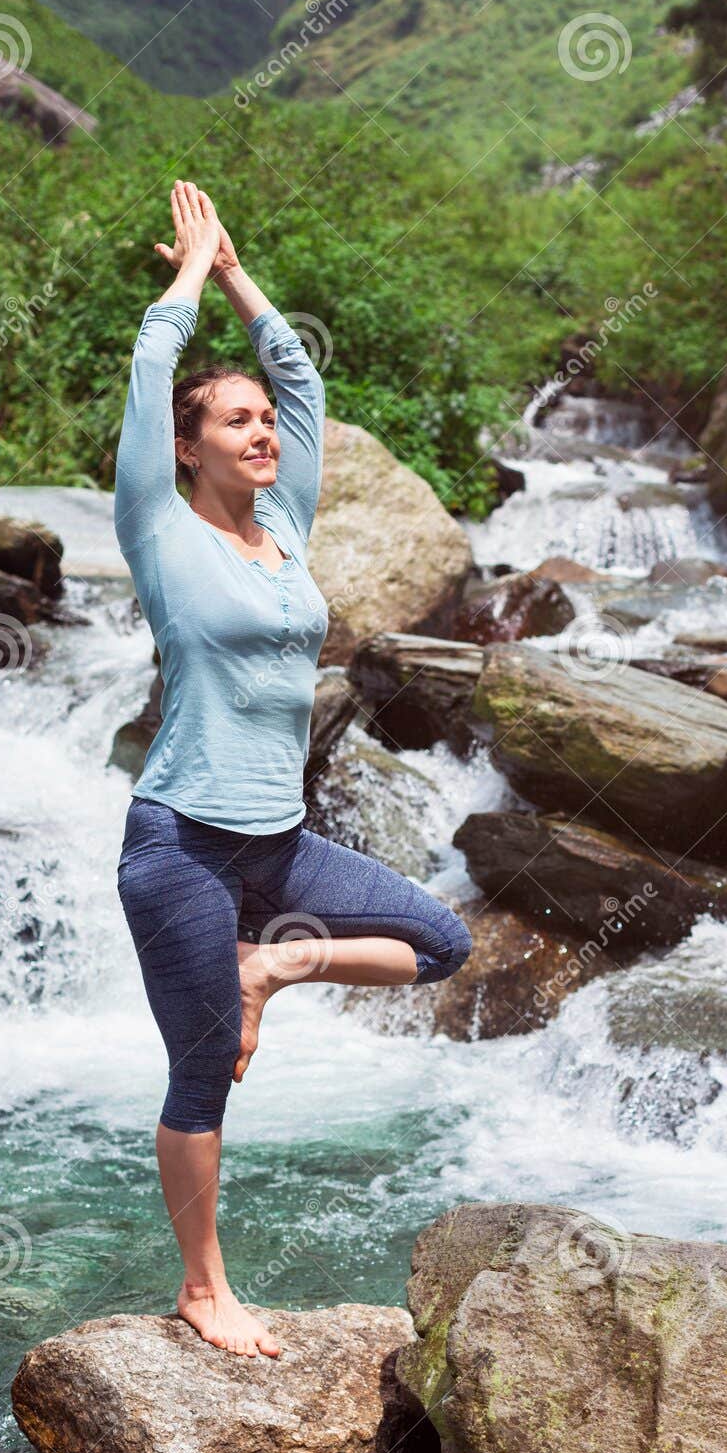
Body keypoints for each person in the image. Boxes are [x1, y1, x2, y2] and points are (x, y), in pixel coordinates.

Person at [113, 181, 472, 1360]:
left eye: (264, 421)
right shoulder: (159, 529)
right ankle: (203, 1287)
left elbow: (307, 384)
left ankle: (272, 966)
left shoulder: (291, 527)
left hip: (276, 844)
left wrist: (235, 275)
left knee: (441, 943)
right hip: (180, 843)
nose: (263, 432)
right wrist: (183, 281)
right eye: (235, 422)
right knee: (201, 1071)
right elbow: (150, 358)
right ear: (185, 446)